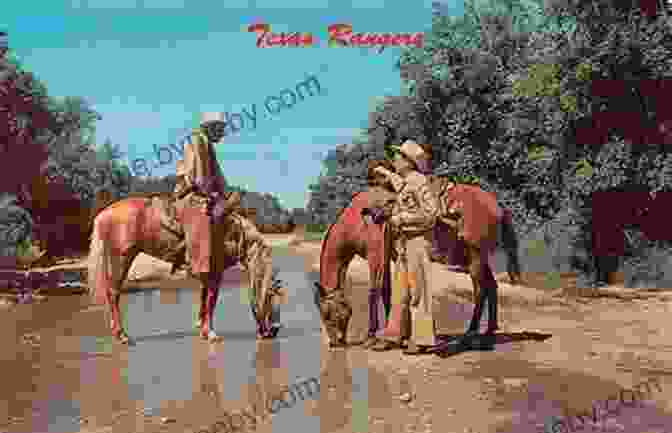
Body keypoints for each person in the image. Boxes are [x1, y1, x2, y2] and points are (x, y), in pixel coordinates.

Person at [169, 112, 241, 324]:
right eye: (221, 129)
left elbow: (218, 176)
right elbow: (195, 175)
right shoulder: (196, 141)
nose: (224, 133)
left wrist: (228, 195)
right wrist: (212, 194)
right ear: (211, 127)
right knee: (204, 221)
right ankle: (198, 264)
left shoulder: (208, 145)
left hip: (203, 192)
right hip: (190, 194)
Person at [371, 139, 440, 355]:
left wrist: (399, 218)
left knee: (418, 290)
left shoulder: (419, 181)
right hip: (404, 244)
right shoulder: (406, 180)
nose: (394, 160)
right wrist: (384, 172)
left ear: (408, 162)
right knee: (400, 291)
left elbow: (431, 214)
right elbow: (400, 185)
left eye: (398, 157)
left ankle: (422, 339)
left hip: (418, 242)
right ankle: (394, 333)